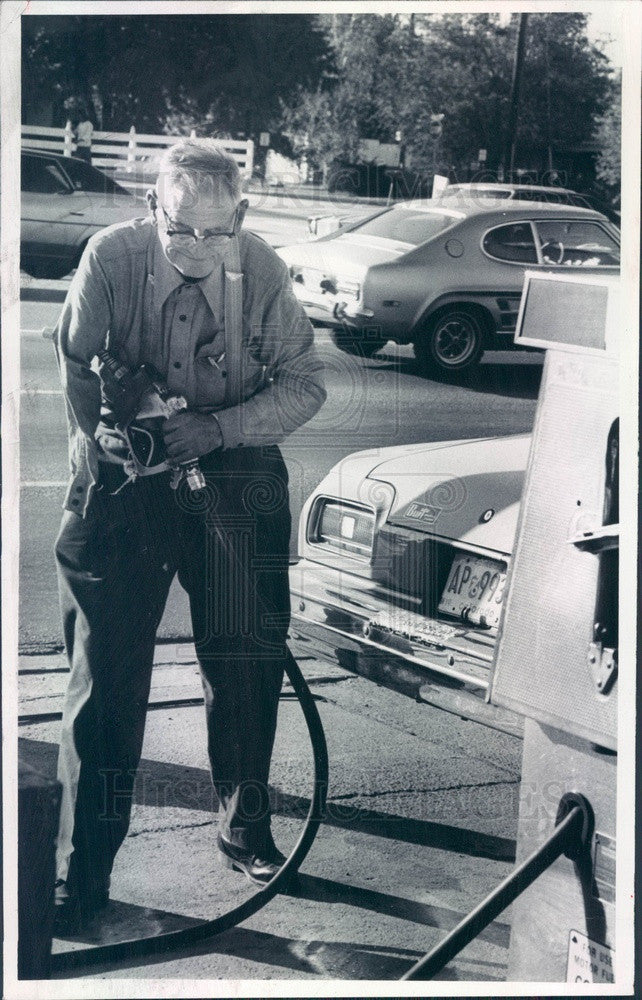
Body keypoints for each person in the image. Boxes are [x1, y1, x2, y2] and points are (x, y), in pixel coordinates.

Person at [51, 139, 326, 931]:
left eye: (216, 233)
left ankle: (245, 826)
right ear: (154, 212)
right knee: (104, 679)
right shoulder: (111, 258)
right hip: (123, 483)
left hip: (233, 468)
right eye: (181, 232)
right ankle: (83, 865)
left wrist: (218, 428)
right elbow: (74, 359)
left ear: (238, 218)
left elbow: (305, 383)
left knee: (244, 659)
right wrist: (103, 435)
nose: (198, 250)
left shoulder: (262, 270)